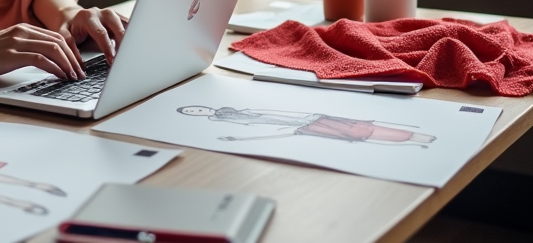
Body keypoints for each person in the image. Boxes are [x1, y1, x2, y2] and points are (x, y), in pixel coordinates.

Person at [176, 105, 436, 146]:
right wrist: (239, 141)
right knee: (355, 136)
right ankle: (415, 140)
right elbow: (261, 128)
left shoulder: (239, 110)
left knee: (359, 127)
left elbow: (272, 112)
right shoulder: (223, 120)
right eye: (193, 112)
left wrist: (304, 115)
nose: (198, 110)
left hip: (306, 119)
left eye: (195, 107)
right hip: (301, 128)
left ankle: (420, 137)